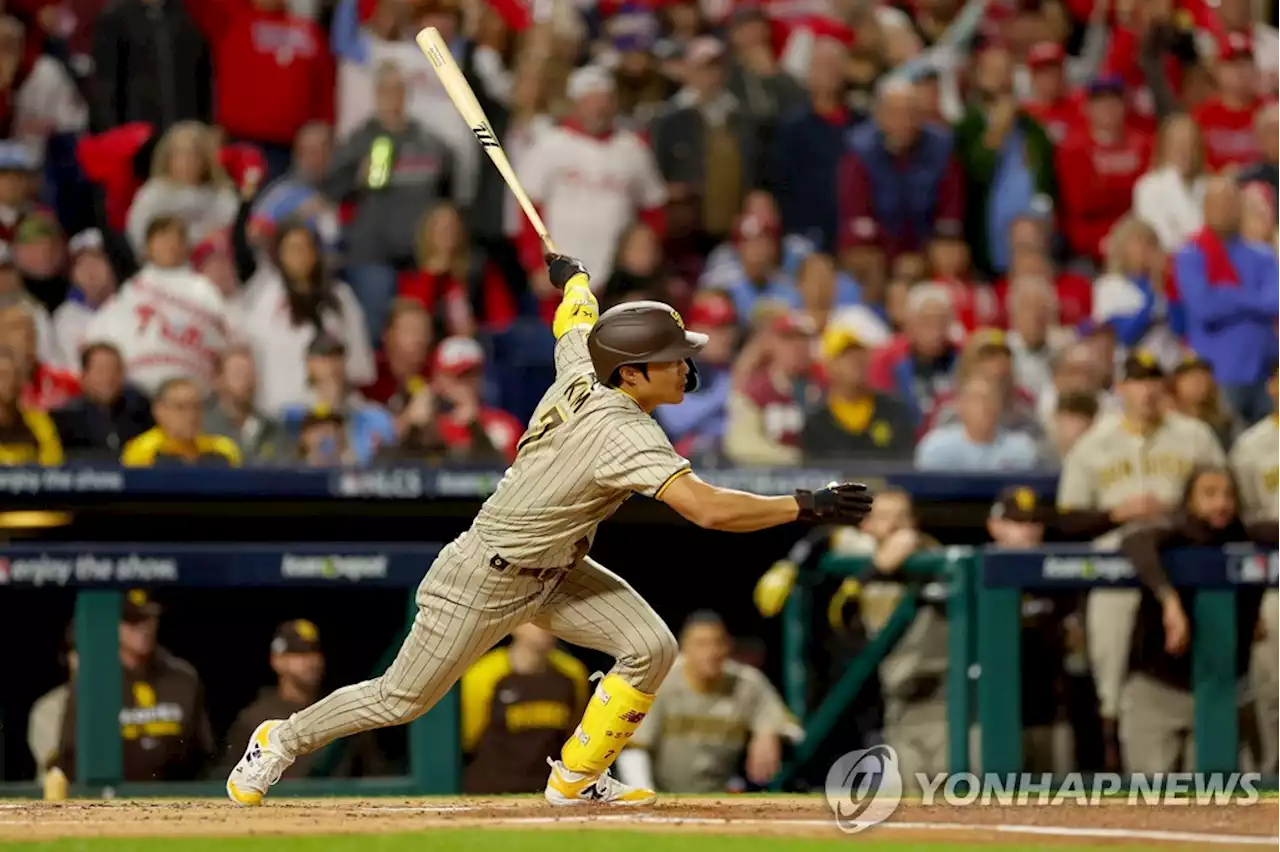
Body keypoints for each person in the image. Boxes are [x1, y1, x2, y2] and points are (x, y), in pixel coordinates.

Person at [226, 253, 873, 807]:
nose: (684, 367)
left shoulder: (584, 366)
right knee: (401, 699)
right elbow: (707, 511)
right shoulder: (621, 429)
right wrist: (804, 503)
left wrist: (577, 279)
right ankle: (280, 739)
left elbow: (576, 323)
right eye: (671, 358)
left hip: (558, 569)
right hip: (486, 574)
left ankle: (576, 778)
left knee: (651, 648)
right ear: (632, 372)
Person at [1117, 466, 1278, 773]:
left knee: (1219, 806)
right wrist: (1169, 601)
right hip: (1158, 691)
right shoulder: (1172, 534)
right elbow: (1134, 541)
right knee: (1151, 803)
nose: (1221, 503)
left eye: (1228, 494)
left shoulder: (1247, 537)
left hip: (1220, 692)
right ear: (1190, 500)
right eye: (1209, 494)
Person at [618, 611, 800, 793]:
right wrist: (643, 795)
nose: (711, 652)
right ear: (684, 648)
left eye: (718, 643)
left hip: (723, 797)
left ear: (728, 647)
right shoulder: (660, 681)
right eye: (701, 644)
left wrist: (769, 731)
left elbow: (794, 730)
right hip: (663, 795)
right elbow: (633, 748)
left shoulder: (747, 683)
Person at [57, 590, 215, 782]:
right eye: (132, 621)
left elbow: (204, 755)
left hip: (176, 796)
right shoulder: (94, 681)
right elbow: (69, 756)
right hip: (110, 801)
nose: (143, 628)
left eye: (148, 618)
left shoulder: (182, 678)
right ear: (114, 624)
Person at [222, 620, 384, 780]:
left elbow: (374, 773)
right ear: (277, 660)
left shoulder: (340, 709)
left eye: (314, 651)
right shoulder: (254, 718)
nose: (312, 661)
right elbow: (230, 777)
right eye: (299, 653)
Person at [461, 624, 589, 794]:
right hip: (492, 790)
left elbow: (576, 734)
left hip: (549, 791)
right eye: (535, 620)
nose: (545, 627)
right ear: (514, 625)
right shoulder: (483, 674)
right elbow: (469, 738)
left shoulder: (573, 673)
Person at [121, 377, 241, 467]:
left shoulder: (223, 449)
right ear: (160, 411)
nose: (191, 415)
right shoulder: (143, 453)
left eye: (196, 407)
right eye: (181, 407)